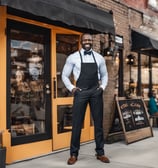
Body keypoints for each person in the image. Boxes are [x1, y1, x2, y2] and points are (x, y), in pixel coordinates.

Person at [61, 33, 109, 165]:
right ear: (81, 41)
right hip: (80, 92)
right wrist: (72, 88)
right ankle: (73, 154)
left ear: (92, 41)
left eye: (89, 39)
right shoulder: (73, 57)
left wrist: (102, 87)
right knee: (76, 124)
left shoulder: (99, 58)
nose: (87, 41)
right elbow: (64, 75)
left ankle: (100, 153)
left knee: (98, 124)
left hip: (95, 92)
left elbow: (105, 75)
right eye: (85, 39)